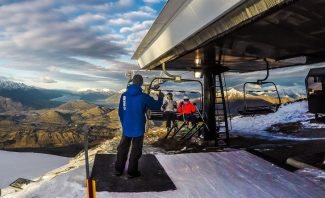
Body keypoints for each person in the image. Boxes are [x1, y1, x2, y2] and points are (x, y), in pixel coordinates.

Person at [115, 74, 164, 178]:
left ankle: (119, 169)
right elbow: (156, 105)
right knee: (136, 149)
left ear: (132, 82)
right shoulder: (143, 96)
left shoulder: (124, 95)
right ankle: (132, 172)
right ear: (141, 83)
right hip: (138, 127)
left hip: (126, 127)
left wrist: (124, 124)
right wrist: (160, 98)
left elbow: (121, 112)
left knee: (122, 148)